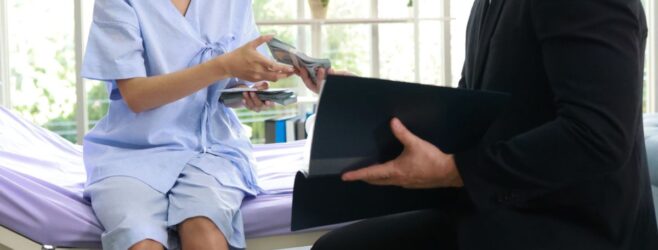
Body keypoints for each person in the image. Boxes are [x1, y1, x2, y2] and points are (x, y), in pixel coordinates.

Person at [298, 0, 658, 249]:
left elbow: (598, 137)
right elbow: (471, 107)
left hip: (573, 230)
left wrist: (456, 170)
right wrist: (359, 100)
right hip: (501, 212)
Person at [80, 0, 295, 249]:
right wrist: (223, 66)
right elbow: (137, 97)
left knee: (204, 226)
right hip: (132, 151)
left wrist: (247, 92)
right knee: (141, 240)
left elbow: (226, 86)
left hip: (212, 150)